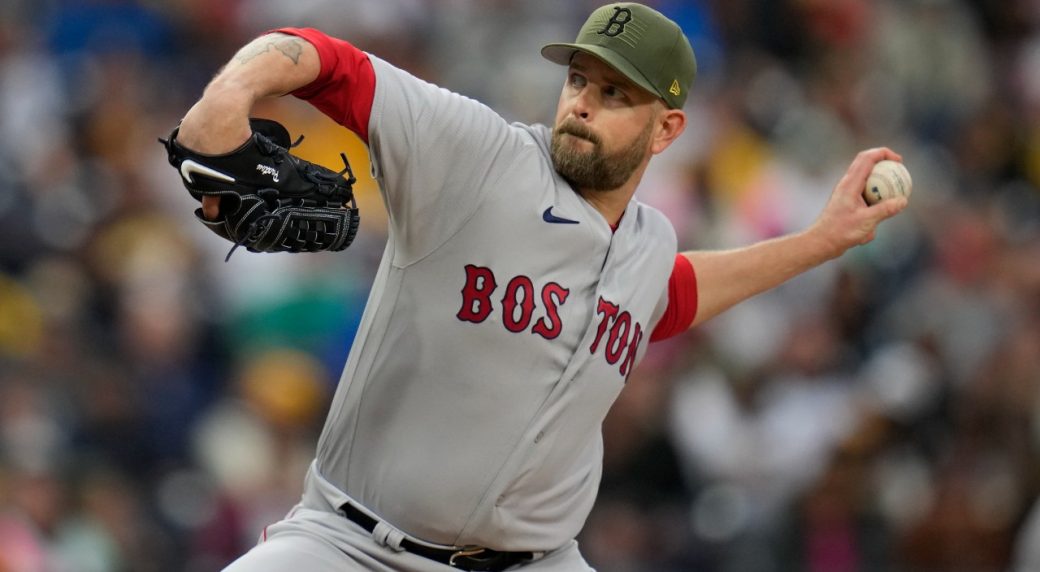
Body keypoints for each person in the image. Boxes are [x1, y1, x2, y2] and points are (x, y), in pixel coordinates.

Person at [173, 3, 907, 571]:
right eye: (579, 79)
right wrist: (228, 96)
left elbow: (674, 295)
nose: (582, 103)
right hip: (352, 546)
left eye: (615, 93)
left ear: (666, 130)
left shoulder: (649, 244)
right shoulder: (478, 157)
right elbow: (329, 63)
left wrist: (822, 241)